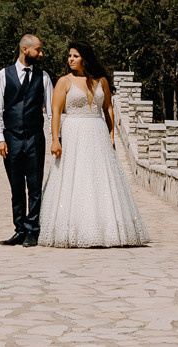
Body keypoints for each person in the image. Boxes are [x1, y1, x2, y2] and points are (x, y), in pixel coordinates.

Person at [38, 40, 150, 248]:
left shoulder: (102, 81)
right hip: (73, 131)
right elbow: (55, 113)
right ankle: (74, 227)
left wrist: (111, 135)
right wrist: (55, 139)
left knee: (100, 177)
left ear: (85, 58)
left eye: (75, 56)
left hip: (97, 132)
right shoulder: (64, 81)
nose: (70, 59)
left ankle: (106, 228)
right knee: (75, 176)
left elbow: (108, 108)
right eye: (69, 55)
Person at [0, 33, 52, 245]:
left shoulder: (43, 77)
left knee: (34, 186)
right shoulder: (3, 75)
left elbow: (51, 111)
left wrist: (56, 139)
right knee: (16, 187)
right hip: (11, 138)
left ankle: (33, 230)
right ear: (25, 49)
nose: (41, 54)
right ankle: (19, 229)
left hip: (35, 137)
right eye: (38, 50)